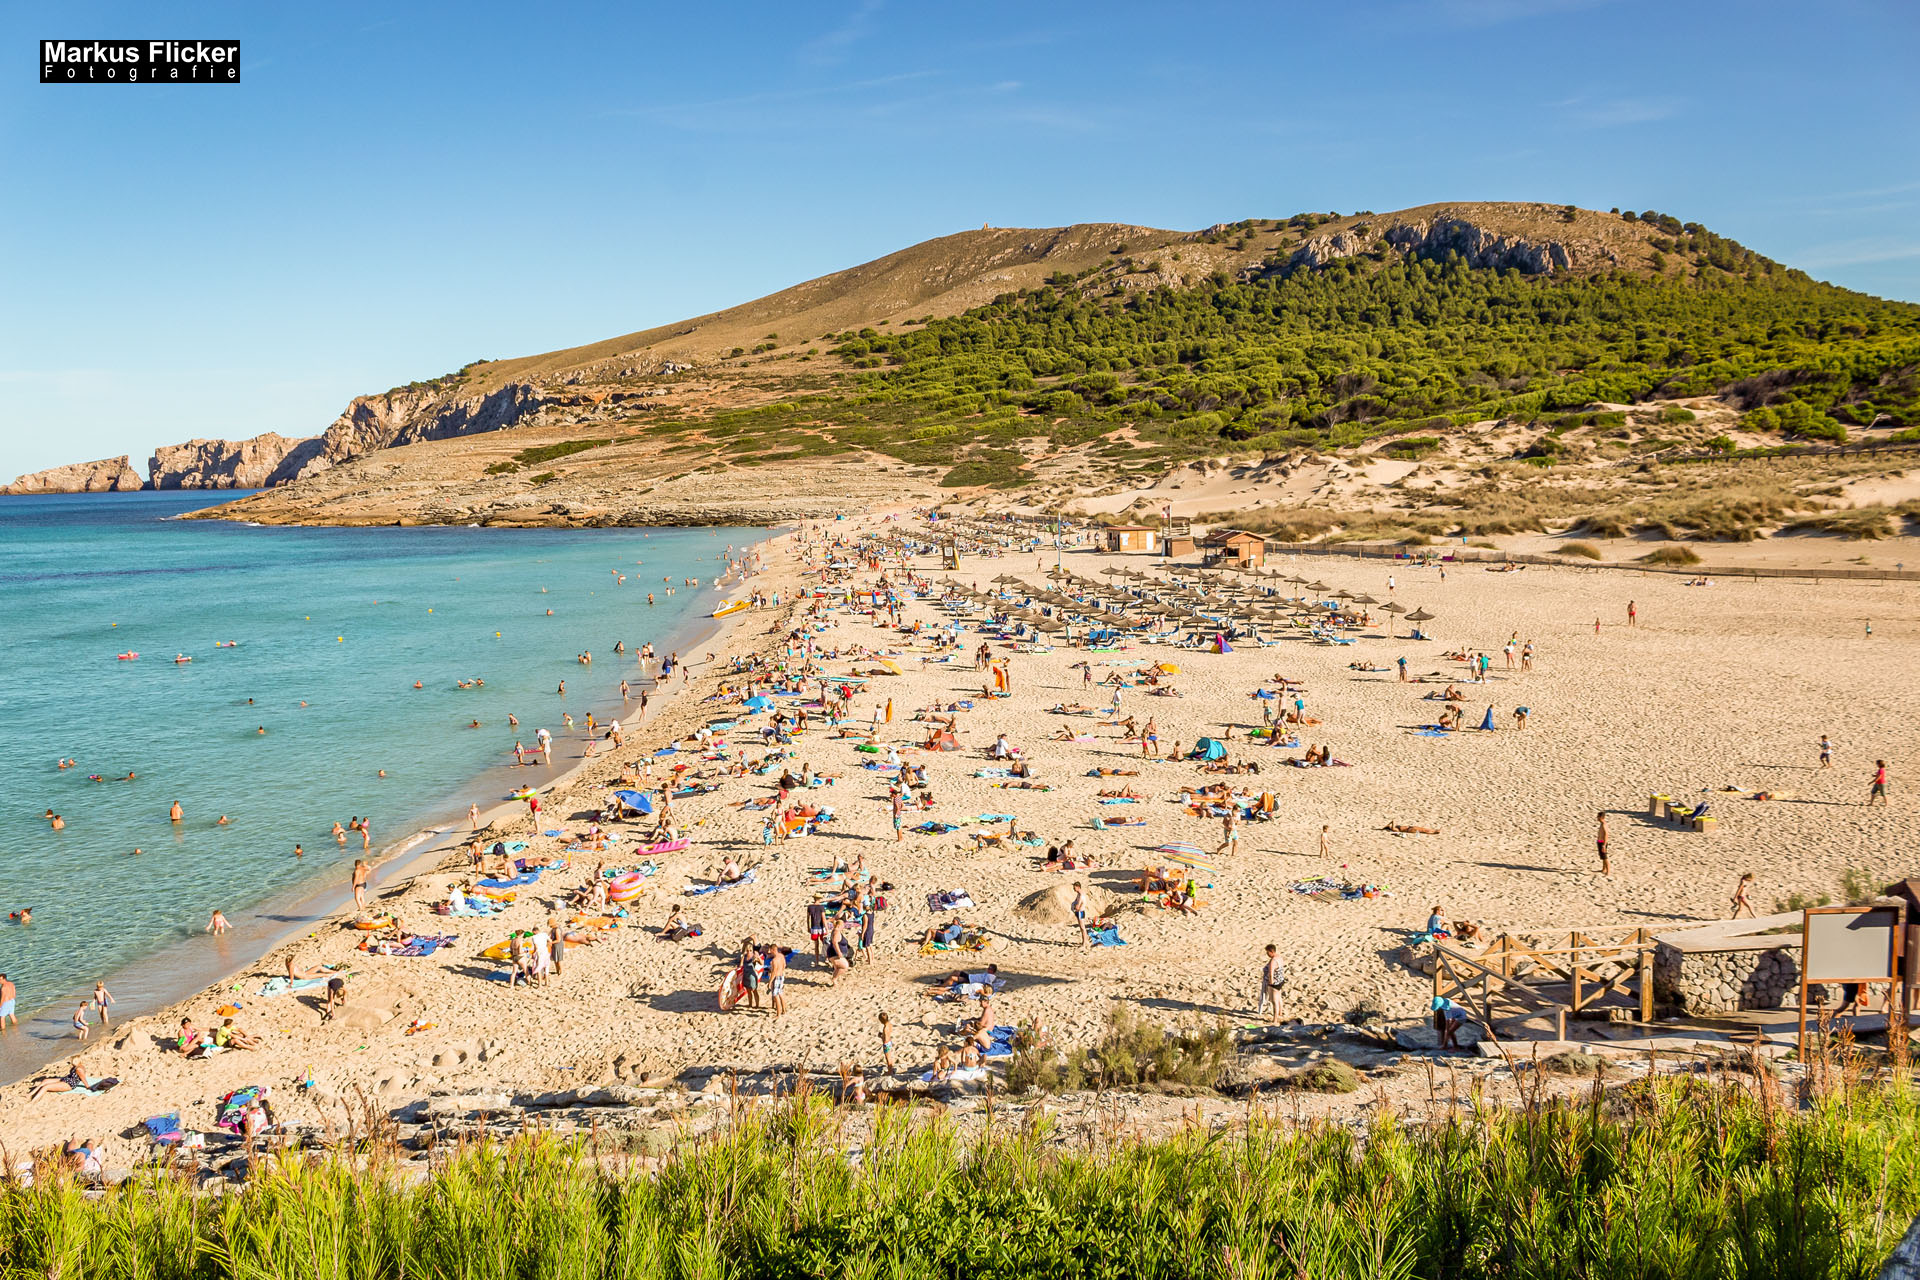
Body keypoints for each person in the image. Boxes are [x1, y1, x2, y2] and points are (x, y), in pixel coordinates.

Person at [1257, 944, 1284, 1020]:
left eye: (1267, 952)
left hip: (1274, 983)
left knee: (1274, 1001)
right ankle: (1280, 1013)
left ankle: (1275, 1019)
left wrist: (1271, 982)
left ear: (1271, 951)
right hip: (1280, 980)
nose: (1267, 954)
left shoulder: (1273, 961)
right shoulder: (1279, 957)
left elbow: (1271, 973)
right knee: (1279, 998)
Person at [877, 1011, 897, 1075]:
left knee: (888, 1058)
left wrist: (881, 1036)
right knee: (889, 1057)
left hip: (886, 1043)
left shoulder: (885, 1028)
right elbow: (888, 1033)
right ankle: (890, 1069)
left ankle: (890, 1071)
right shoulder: (889, 1024)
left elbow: (885, 1038)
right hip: (890, 1042)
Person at [1071, 882, 1090, 949]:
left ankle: (1084, 943)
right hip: (1079, 912)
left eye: (1074, 887)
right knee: (1081, 927)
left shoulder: (1081, 895)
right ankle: (1085, 941)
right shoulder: (1079, 894)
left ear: (1078, 887)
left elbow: (1077, 906)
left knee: (1082, 928)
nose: (1073, 888)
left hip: (1080, 912)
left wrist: (1074, 906)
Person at [1595, 811, 1611, 876]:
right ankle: (1604, 869)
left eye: (1598, 816)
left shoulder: (1604, 824)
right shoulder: (1602, 823)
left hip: (1602, 842)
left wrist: (1604, 845)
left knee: (1605, 857)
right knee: (1603, 857)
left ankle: (1608, 871)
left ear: (1601, 817)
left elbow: (1606, 834)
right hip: (1600, 842)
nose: (1597, 818)